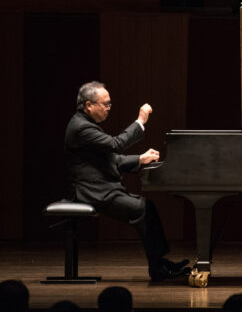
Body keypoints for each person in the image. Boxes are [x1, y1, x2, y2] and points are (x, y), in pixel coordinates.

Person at [65, 81, 189, 281]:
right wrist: (140, 121)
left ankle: (159, 264)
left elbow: (108, 159)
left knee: (146, 207)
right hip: (92, 192)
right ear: (89, 105)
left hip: (101, 189)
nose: (108, 109)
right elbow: (116, 145)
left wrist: (140, 159)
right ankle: (158, 268)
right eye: (105, 104)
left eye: (109, 104)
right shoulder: (82, 128)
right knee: (143, 209)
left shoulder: (85, 124)